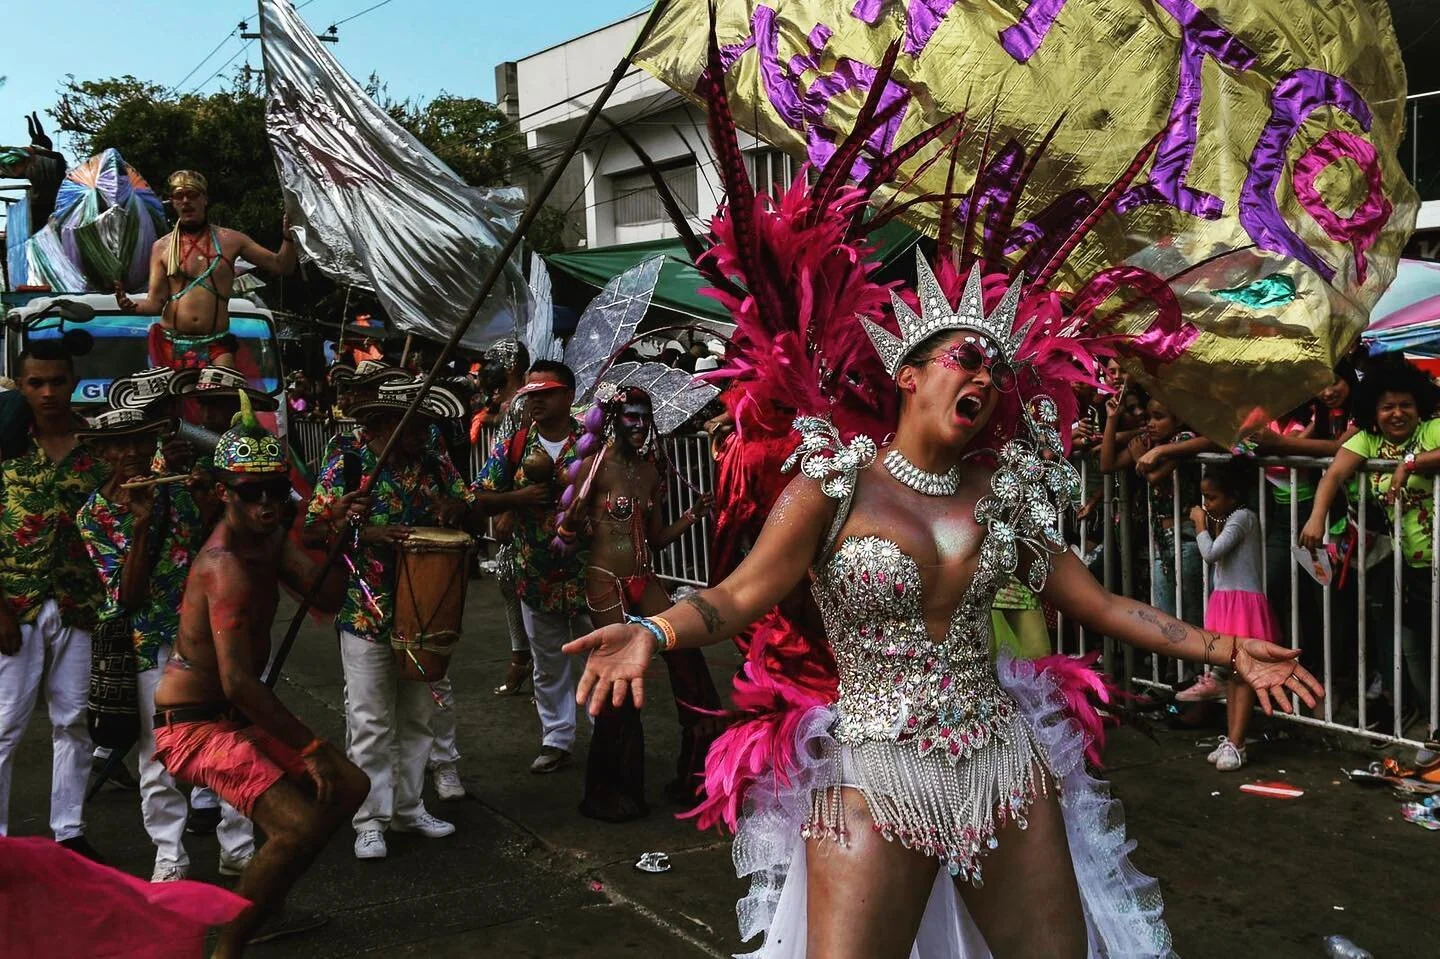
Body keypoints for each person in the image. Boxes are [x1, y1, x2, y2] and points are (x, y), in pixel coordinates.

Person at [566, 253, 1322, 957]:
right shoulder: (834, 485)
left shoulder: (1006, 497)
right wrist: (649, 631)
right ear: (909, 374)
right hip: (872, 771)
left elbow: (1102, 604)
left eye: (995, 370)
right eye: (967, 359)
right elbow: (736, 596)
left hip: (1000, 764)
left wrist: (1228, 649)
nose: (985, 379)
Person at [152, 396, 369, 954]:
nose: (268, 503)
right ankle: (227, 948)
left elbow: (327, 596)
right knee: (296, 826)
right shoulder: (224, 567)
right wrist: (312, 744)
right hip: (194, 724)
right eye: (252, 492)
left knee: (350, 788)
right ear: (225, 491)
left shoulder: (269, 538)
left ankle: (263, 903)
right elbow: (239, 684)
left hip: (232, 713)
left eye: (277, 489)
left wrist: (338, 537)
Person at [75, 399, 254, 882]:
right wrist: (139, 523)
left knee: (228, 735)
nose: (132, 452)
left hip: (201, 632)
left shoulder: (173, 491)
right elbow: (127, 596)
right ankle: (168, 853)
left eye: (139, 440)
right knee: (156, 752)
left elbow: (207, 550)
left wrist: (206, 499)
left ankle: (237, 844)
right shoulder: (93, 514)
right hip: (146, 641)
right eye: (120, 445)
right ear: (104, 453)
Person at [305, 382, 472, 859]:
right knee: (371, 719)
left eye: (425, 424)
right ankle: (370, 820)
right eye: (413, 424)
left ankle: (409, 806)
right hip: (367, 610)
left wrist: (453, 507)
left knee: (419, 714)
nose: (423, 433)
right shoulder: (349, 464)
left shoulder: (434, 465)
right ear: (380, 425)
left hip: (424, 611)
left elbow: (466, 501)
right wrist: (361, 527)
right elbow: (314, 530)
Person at [553, 387, 721, 820]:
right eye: (629, 415)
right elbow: (565, 538)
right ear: (612, 419)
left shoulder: (651, 470)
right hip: (605, 581)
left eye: (645, 415)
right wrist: (571, 522)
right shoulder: (593, 467)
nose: (639, 423)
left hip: (645, 580)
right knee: (620, 682)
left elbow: (657, 539)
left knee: (690, 664)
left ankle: (697, 778)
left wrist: (693, 515)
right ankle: (614, 793)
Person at [0, 341, 110, 861]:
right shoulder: (4, 445)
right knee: (5, 726)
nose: (47, 392)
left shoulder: (100, 445)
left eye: (57, 381)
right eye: (35, 383)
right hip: (14, 604)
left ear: (73, 382)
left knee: (72, 719)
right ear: (20, 385)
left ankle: (69, 829)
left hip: (79, 604)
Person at [1301, 355, 1439, 736]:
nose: (1397, 413)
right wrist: (1316, 518)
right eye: (1387, 406)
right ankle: (1433, 726)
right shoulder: (1368, 440)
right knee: (1413, 650)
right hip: (1408, 566)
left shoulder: (1432, 430)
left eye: (1406, 405)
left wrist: (1409, 463)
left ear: (1419, 406)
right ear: (1373, 411)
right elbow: (1333, 476)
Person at [473, 361, 590, 774]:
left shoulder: (593, 443)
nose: (536, 401)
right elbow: (481, 495)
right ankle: (556, 738)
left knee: (601, 655)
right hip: (534, 572)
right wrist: (517, 499)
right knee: (547, 660)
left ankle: (611, 737)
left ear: (569, 396)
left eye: (546, 393)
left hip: (590, 573)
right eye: (531, 394)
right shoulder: (516, 445)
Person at [114, 170, 297, 370]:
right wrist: (130, 305)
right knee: (173, 400)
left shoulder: (232, 240)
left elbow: (282, 266)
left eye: (192, 195)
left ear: (205, 199)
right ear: (173, 202)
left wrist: (289, 238)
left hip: (217, 345)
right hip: (171, 343)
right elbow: (155, 303)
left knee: (222, 397)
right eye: (179, 196)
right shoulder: (161, 247)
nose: (186, 201)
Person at [1189, 463, 1283, 771]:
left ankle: (1237, 741)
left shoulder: (1243, 518)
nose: (1206, 505)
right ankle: (1232, 738)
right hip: (1227, 601)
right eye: (1204, 498)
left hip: (1242, 604)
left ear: (1233, 496)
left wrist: (1200, 526)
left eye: (1212, 498)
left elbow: (1211, 553)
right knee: (1232, 673)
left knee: (1242, 675)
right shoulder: (1231, 518)